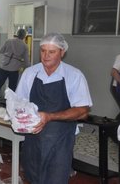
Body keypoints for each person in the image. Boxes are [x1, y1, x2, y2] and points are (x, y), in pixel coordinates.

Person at [15, 32, 93, 184]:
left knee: (55, 178)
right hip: (33, 138)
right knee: (33, 176)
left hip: (60, 139)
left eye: (52, 52)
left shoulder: (74, 76)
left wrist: (50, 116)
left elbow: (83, 111)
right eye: (43, 50)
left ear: (62, 52)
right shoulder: (30, 73)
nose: (46, 56)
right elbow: (19, 102)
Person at [0, 28, 30, 100]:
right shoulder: (25, 46)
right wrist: (27, 69)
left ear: (17, 34)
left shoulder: (9, 41)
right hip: (14, 69)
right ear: (24, 36)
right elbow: (26, 61)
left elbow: (0, 51)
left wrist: (7, 53)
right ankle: (10, 99)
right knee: (12, 85)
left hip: (4, 66)